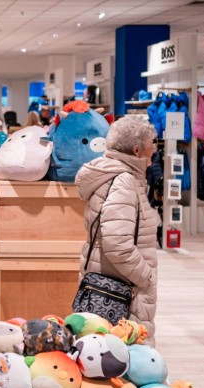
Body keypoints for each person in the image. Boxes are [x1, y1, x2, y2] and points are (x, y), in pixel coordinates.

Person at [75, 115, 159, 344]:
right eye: (152, 143)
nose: (154, 149)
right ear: (137, 150)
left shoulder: (119, 175)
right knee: (121, 353)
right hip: (121, 287)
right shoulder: (124, 180)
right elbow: (116, 243)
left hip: (109, 278)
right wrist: (146, 276)